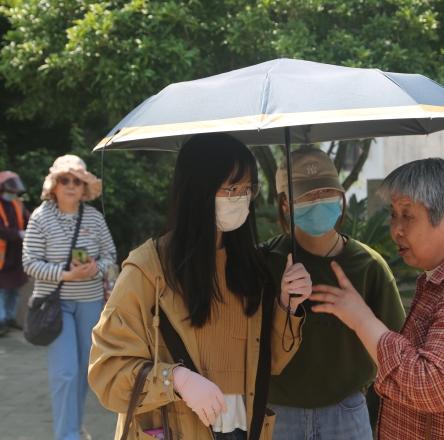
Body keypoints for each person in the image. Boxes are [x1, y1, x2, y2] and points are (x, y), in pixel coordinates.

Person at [88, 133, 310, 440]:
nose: (242, 197)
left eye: (248, 188)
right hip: (175, 430)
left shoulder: (251, 267)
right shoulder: (147, 269)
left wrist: (288, 305)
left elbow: (268, 363)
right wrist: (176, 379)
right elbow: (108, 373)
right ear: (198, 189)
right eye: (232, 188)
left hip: (242, 428)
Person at [310, 158, 444, 440]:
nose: (396, 229)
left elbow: (432, 387)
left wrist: (361, 319)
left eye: (408, 215)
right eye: (394, 214)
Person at [264, 148, 406, 440]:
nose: (318, 200)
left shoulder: (370, 267)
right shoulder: (262, 262)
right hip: (277, 415)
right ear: (285, 202)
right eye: (306, 194)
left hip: (347, 413)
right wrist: (284, 305)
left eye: (326, 190)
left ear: (341, 194)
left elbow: (398, 351)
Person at [22, 155, 116, 440]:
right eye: (65, 180)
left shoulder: (94, 218)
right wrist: (66, 275)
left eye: (78, 181)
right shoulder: (40, 217)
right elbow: (29, 263)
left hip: (90, 302)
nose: (71, 185)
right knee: (65, 372)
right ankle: (67, 435)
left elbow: (111, 258)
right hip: (54, 304)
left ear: (85, 187)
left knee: (84, 371)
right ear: (54, 184)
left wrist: (95, 269)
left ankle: (73, 426)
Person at [0, 171, 30, 336]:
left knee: (15, 288)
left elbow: (29, 218)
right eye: (10, 191)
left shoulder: (17, 203)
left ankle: (10, 319)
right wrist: (19, 233)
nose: (13, 193)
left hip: (15, 253)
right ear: (0, 188)